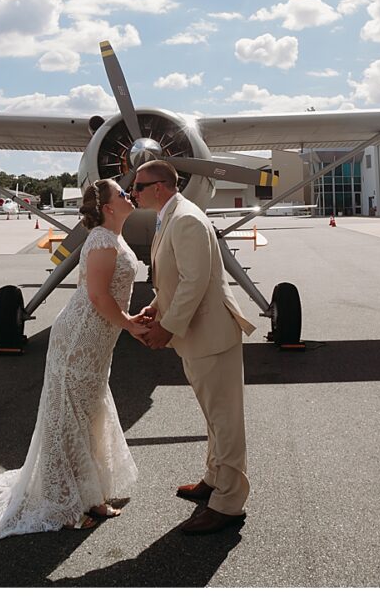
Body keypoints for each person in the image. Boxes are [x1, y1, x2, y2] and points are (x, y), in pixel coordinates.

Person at [0, 179, 140, 540]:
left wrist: (135, 317)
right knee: (66, 417)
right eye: (121, 193)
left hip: (98, 341)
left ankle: (89, 494)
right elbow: (99, 297)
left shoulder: (114, 237)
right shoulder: (102, 239)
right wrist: (130, 325)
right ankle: (60, 504)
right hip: (80, 339)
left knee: (89, 414)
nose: (128, 194)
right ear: (108, 207)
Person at [129, 159, 255, 535]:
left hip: (210, 335)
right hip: (198, 336)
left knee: (225, 421)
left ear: (160, 187)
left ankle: (229, 502)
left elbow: (195, 282)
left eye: (138, 186)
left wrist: (167, 328)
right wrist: (155, 306)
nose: (132, 192)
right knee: (213, 417)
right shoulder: (170, 216)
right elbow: (174, 276)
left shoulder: (185, 219)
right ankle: (214, 479)